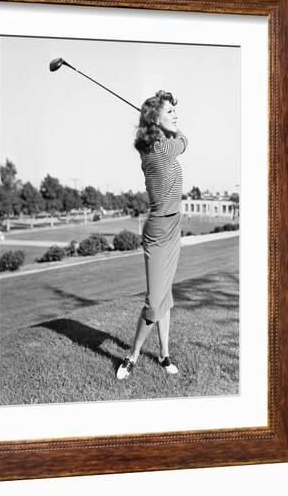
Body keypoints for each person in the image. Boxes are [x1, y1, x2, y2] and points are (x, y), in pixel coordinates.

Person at [117, 90, 188, 380]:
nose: (176, 116)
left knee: (165, 298)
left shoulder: (156, 143)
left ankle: (163, 354)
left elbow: (172, 137)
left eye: (175, 111)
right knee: (154, 301)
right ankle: (131, 356)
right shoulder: (159, 150)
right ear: (155, 119)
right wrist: (167, 127)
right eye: (170, 112)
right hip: (159, 231)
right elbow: (184, 141)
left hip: (174, 227)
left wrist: (159, 122)